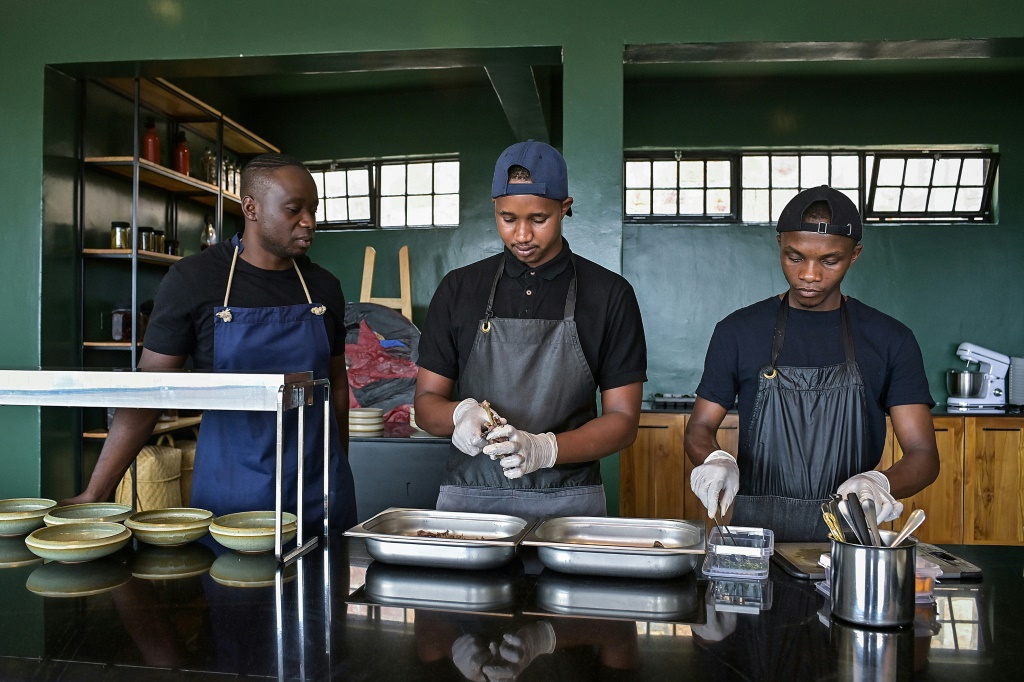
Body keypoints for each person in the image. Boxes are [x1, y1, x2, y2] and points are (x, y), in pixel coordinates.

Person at [64, 153, 356, 535]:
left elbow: (336, 386)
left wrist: (340, 470)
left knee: (325, 592)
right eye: (294, 209)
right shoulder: (194, 280)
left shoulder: (323, 287)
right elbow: (149, 391)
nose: (309, 222)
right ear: (250, 207)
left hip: (318, 491)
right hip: (231, 494)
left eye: (313, 209)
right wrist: (96, 492)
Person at [685, 185, 939, 542]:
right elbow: (699, 426)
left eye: (829, 261)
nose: (809, 274)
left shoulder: (890, 339)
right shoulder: (738, 331)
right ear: (779, 245)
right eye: (795, 256)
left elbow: (924, 454)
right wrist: (716, 460)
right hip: (756, 540)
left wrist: (880, 482)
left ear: (854, 255)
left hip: (850, 540)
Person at [414, 140, 647, 517]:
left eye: (538, 219)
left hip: (570, 503)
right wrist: (460, 413)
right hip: (470, 501)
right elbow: (426, 404)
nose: (522, 235)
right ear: (495, 208)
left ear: (564, 208)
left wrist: (545, 449)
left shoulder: (609, 294)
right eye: (508, 218)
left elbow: (623, 422)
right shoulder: (459, 288)